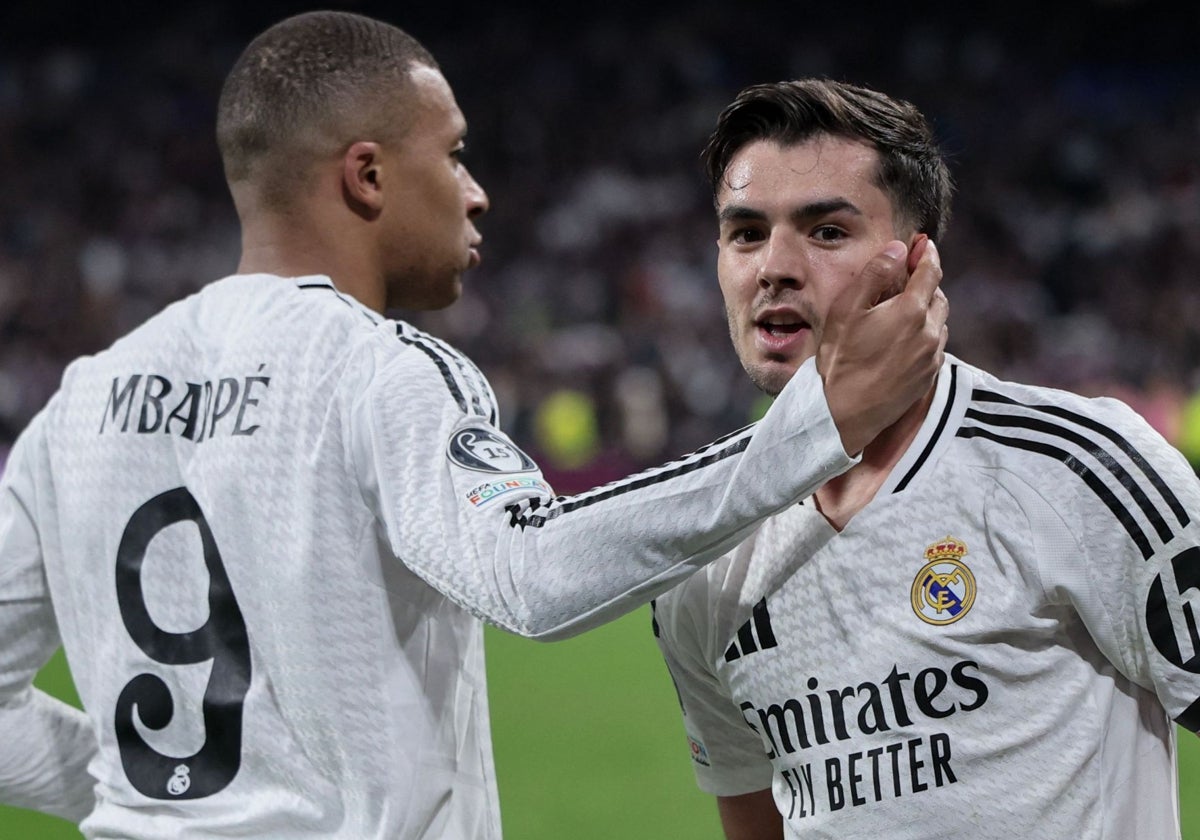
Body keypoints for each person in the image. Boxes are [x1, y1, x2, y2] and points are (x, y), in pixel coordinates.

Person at [0, 13, 949, 840]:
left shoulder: (80, 400)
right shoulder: (376, 370)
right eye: (452, 154)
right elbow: (530, 576)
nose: (476, 190)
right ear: (366, 176)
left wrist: (163, 793)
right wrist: (822, 422)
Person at [651, 77, 1200, 840]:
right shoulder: (704, 550)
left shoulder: (1079, 470)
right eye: (745, 234)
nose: (773, 266)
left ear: (916, 265)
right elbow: (754, 816)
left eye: (826, 232)